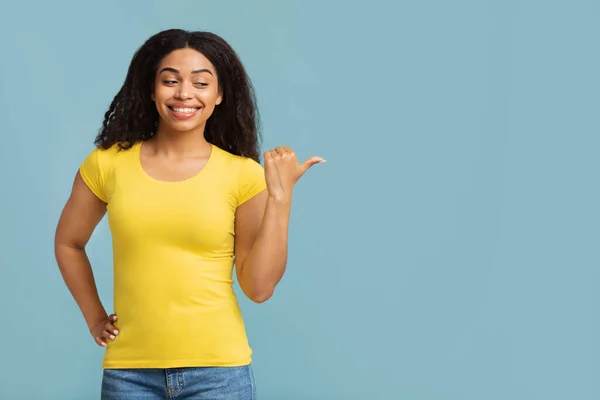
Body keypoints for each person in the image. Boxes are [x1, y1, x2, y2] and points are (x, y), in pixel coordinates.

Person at [54, 29, 325, 399]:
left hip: (219, 375)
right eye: (170, 81)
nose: (184, 93)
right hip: (129, 375)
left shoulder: (242, 174)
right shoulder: (107, 164)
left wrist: (280, 197)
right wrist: (94, 317)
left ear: (219, 95)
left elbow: (259, 288)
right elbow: (69, 242)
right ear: (151, 89)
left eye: (200, 82)